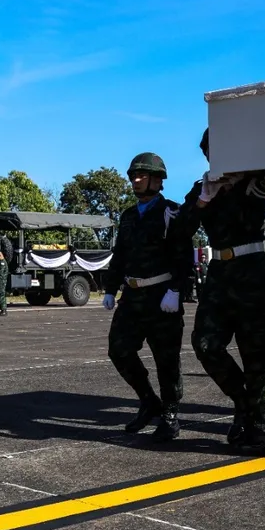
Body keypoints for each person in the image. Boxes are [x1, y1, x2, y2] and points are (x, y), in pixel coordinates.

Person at [179, 128, 265, 455]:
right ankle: (244, 403)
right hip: (219, 270)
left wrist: (227, 190)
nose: (214, 156)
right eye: (210, 151)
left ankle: (261, 425)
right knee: (205, 343)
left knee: (254, 348)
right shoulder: (202, 187)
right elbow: (181, 229)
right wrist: (203, 200)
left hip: (250, 267)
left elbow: (249, 220)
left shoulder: (255, 181)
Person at [101, 152, 191, 441]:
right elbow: (119, 255)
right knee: (119, 350)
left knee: (166, 359)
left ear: (157, 179)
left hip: (161, 295)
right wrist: (110, 289)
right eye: (133, 177)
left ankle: (170, 414)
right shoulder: (128, 216)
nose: (135, 181)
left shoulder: (171, 212)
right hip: (132, 296)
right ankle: (149, 400)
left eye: (141, 176)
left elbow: (183, 255)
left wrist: (176, 290)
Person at [0, 250, 9, 316]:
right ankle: (3, 310)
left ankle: (3, 310)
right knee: (1, 295)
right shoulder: (2, 262)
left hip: (1, 281)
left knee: (1, 295)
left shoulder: (2, 263)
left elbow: (0, 273)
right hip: (1, 281)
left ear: (0, 255)